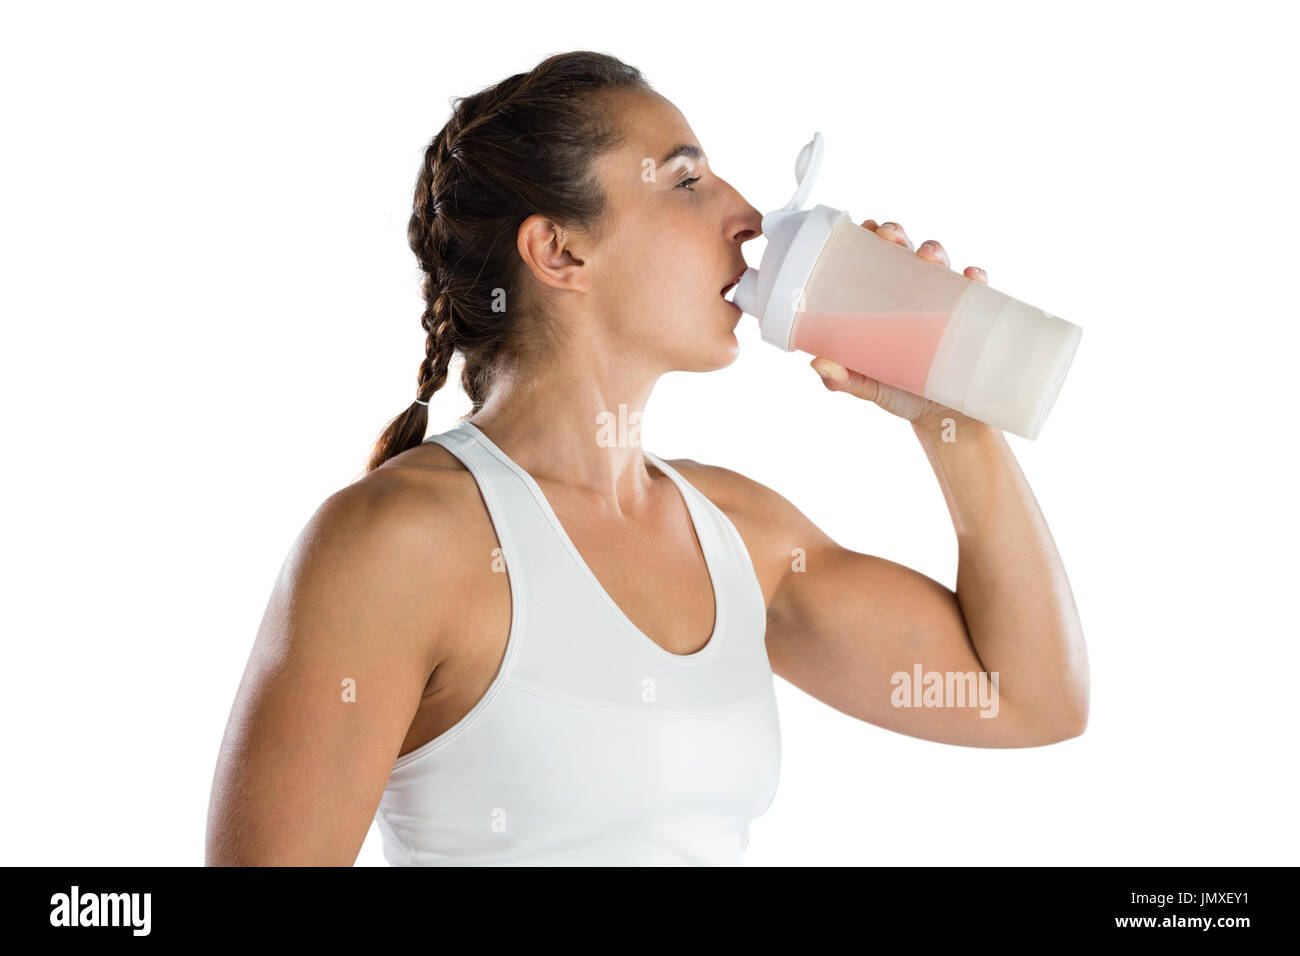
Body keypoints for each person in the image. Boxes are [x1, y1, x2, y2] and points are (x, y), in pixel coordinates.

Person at [205, 50, 1089, 866]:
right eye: (686, 179)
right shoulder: (396, 541)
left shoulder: (740, 534)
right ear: (560, 250)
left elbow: (1025, 698)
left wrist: (948, 413)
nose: (745, 215)